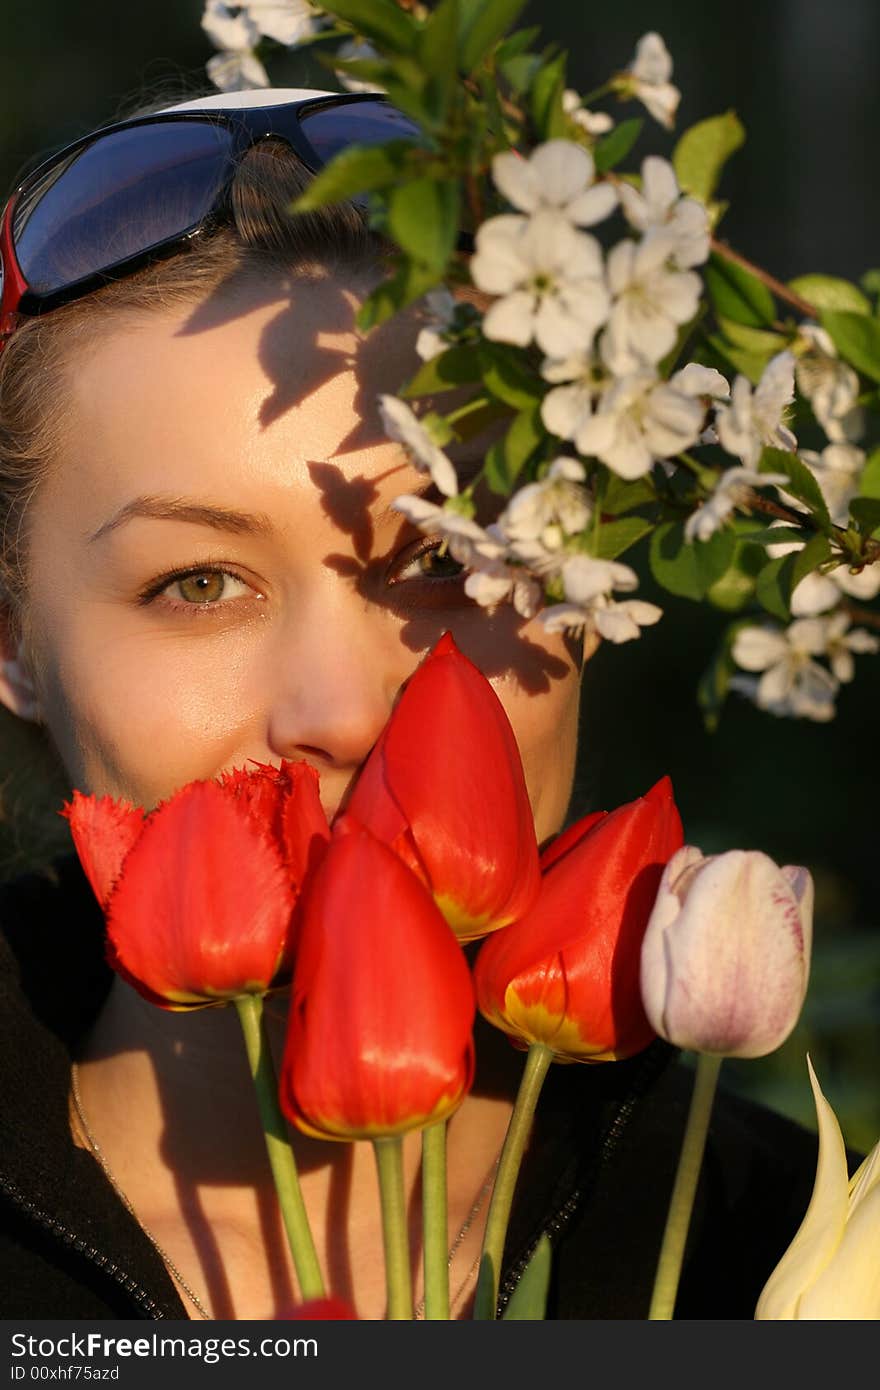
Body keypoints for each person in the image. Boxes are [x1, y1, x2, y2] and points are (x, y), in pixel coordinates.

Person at [0, 87, 836, 1321]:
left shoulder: (784, 1248)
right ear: (13, 637)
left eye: (448, 559)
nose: (343, 712)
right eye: (198, 581)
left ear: (590, 580)